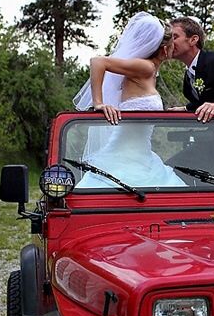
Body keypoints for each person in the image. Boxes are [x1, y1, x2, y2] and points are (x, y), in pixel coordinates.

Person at [72, 12, 185, 189]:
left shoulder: (150, 71)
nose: (174, 48)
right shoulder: (145, 67)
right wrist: (98, 102)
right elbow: (98, 62)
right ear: (164, 50)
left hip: (141, 154)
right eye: (172, 45)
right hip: (124, 156)